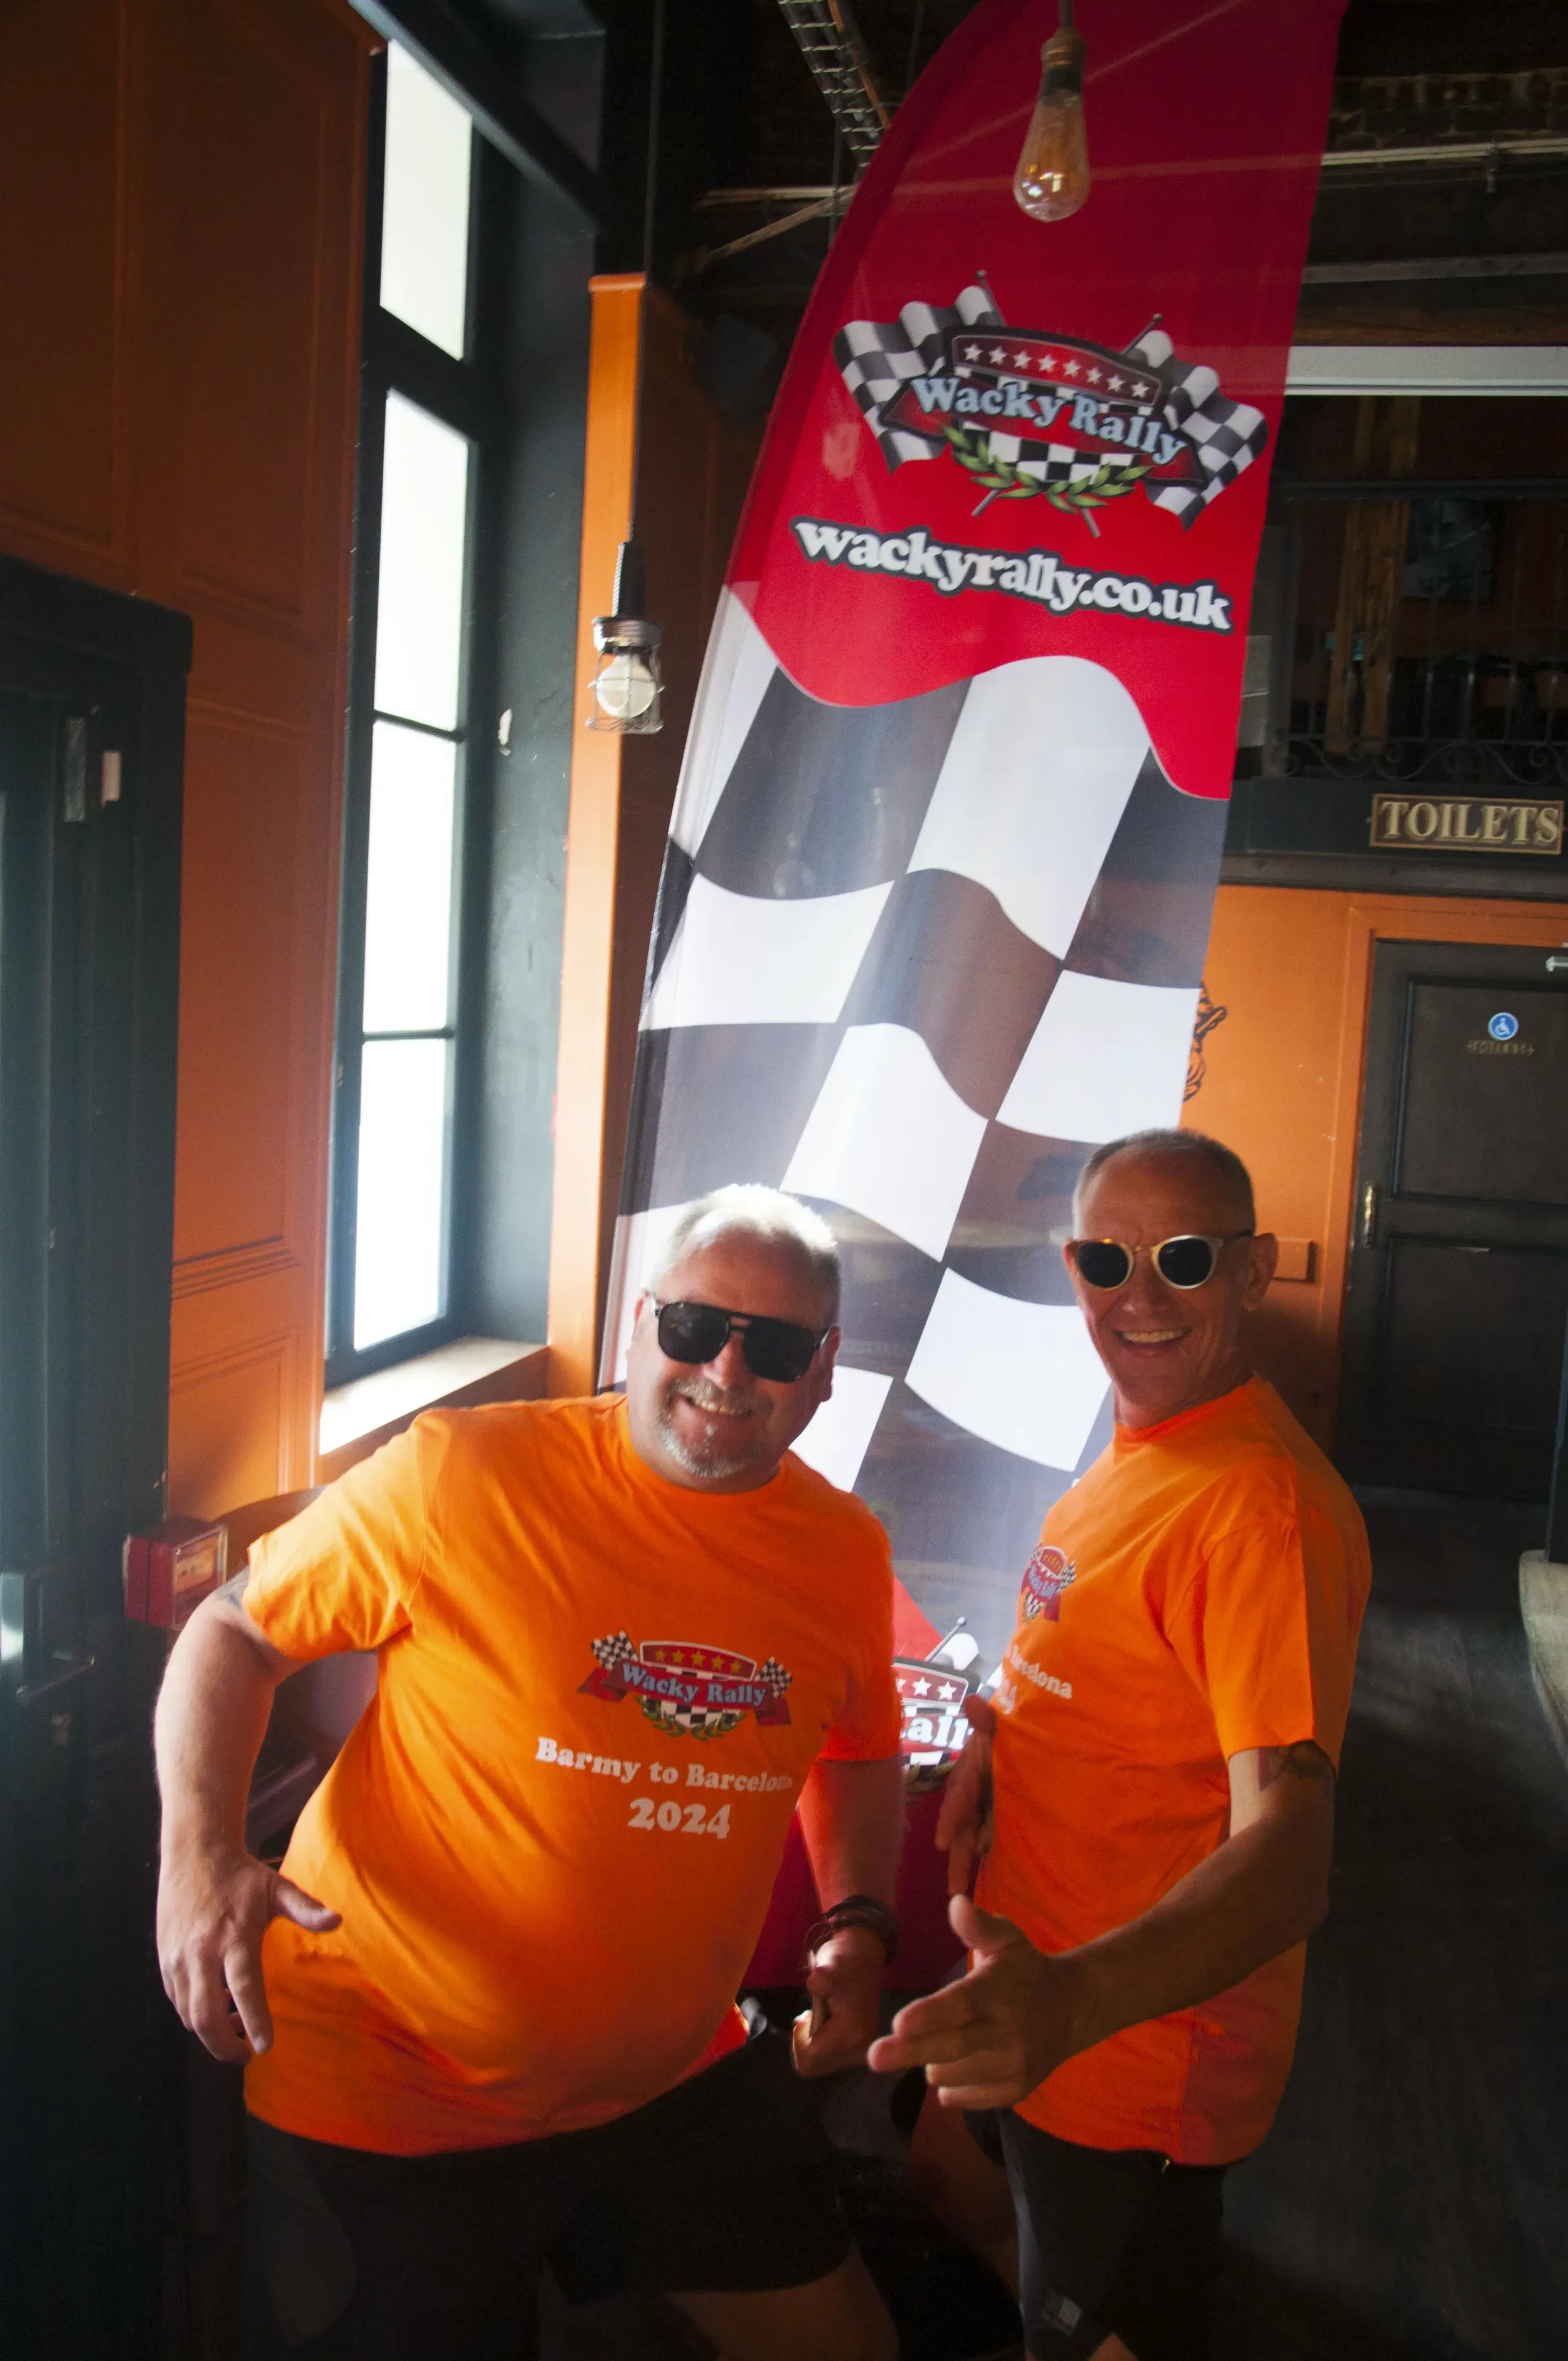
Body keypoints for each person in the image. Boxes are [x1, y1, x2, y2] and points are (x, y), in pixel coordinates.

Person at [156, 1185, 903, 2361]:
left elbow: (856, 1751)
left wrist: (858, 1920)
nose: (726, 1371)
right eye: (699, 1328)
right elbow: (234, 1634)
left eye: (778, 1345)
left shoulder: (846, 1553)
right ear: (640, 1324)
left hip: (673, 2082)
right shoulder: (466, 1474)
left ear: (825, 1369)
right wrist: (198, 1855)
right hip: (394, 2094)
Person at [871, 1128, 1371, 2361]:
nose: (1137, 1295)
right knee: (949, 2184)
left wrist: (1074, 2000)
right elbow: (1116, 1668)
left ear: (1251, 1273)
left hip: (1126, 2049)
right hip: (1024, 1983)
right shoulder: (1142, 1452)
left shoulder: (1253, 1508)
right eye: (1107, 1257)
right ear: (1071, 1264)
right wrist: (1002, 1733)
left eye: (1183, 1258)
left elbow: (1290, 1847)